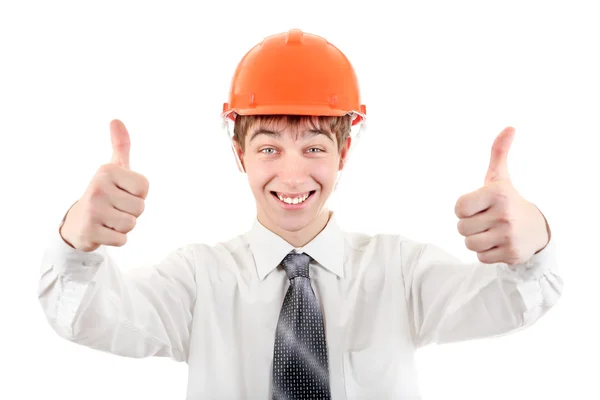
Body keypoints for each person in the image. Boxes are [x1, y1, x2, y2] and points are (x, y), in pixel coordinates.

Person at [37, 29, 562, 399]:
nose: (291, 177)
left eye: (313, 148)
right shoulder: (197, 280)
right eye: (268, 149)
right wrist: (77, 243)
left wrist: (532, 239)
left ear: (344, 154)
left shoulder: (401, 272)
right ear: (240, 154)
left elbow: (518, 300)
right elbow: (80, 318)